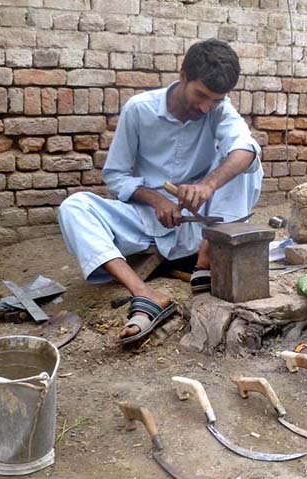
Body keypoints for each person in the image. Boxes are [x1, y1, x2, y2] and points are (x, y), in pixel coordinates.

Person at [58, 39, 263, 345]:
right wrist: (155, 199)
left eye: (215, 100)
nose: (206, 107)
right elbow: (115, 175)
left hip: (202, 222)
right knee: (74, 207)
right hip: (149, 220)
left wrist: (207, 185)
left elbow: (244, 149)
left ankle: (208, 259)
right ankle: (144, 292)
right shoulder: (139, 111)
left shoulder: (219, 109)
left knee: (246, 160)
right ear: (183, 76)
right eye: (201, 96)